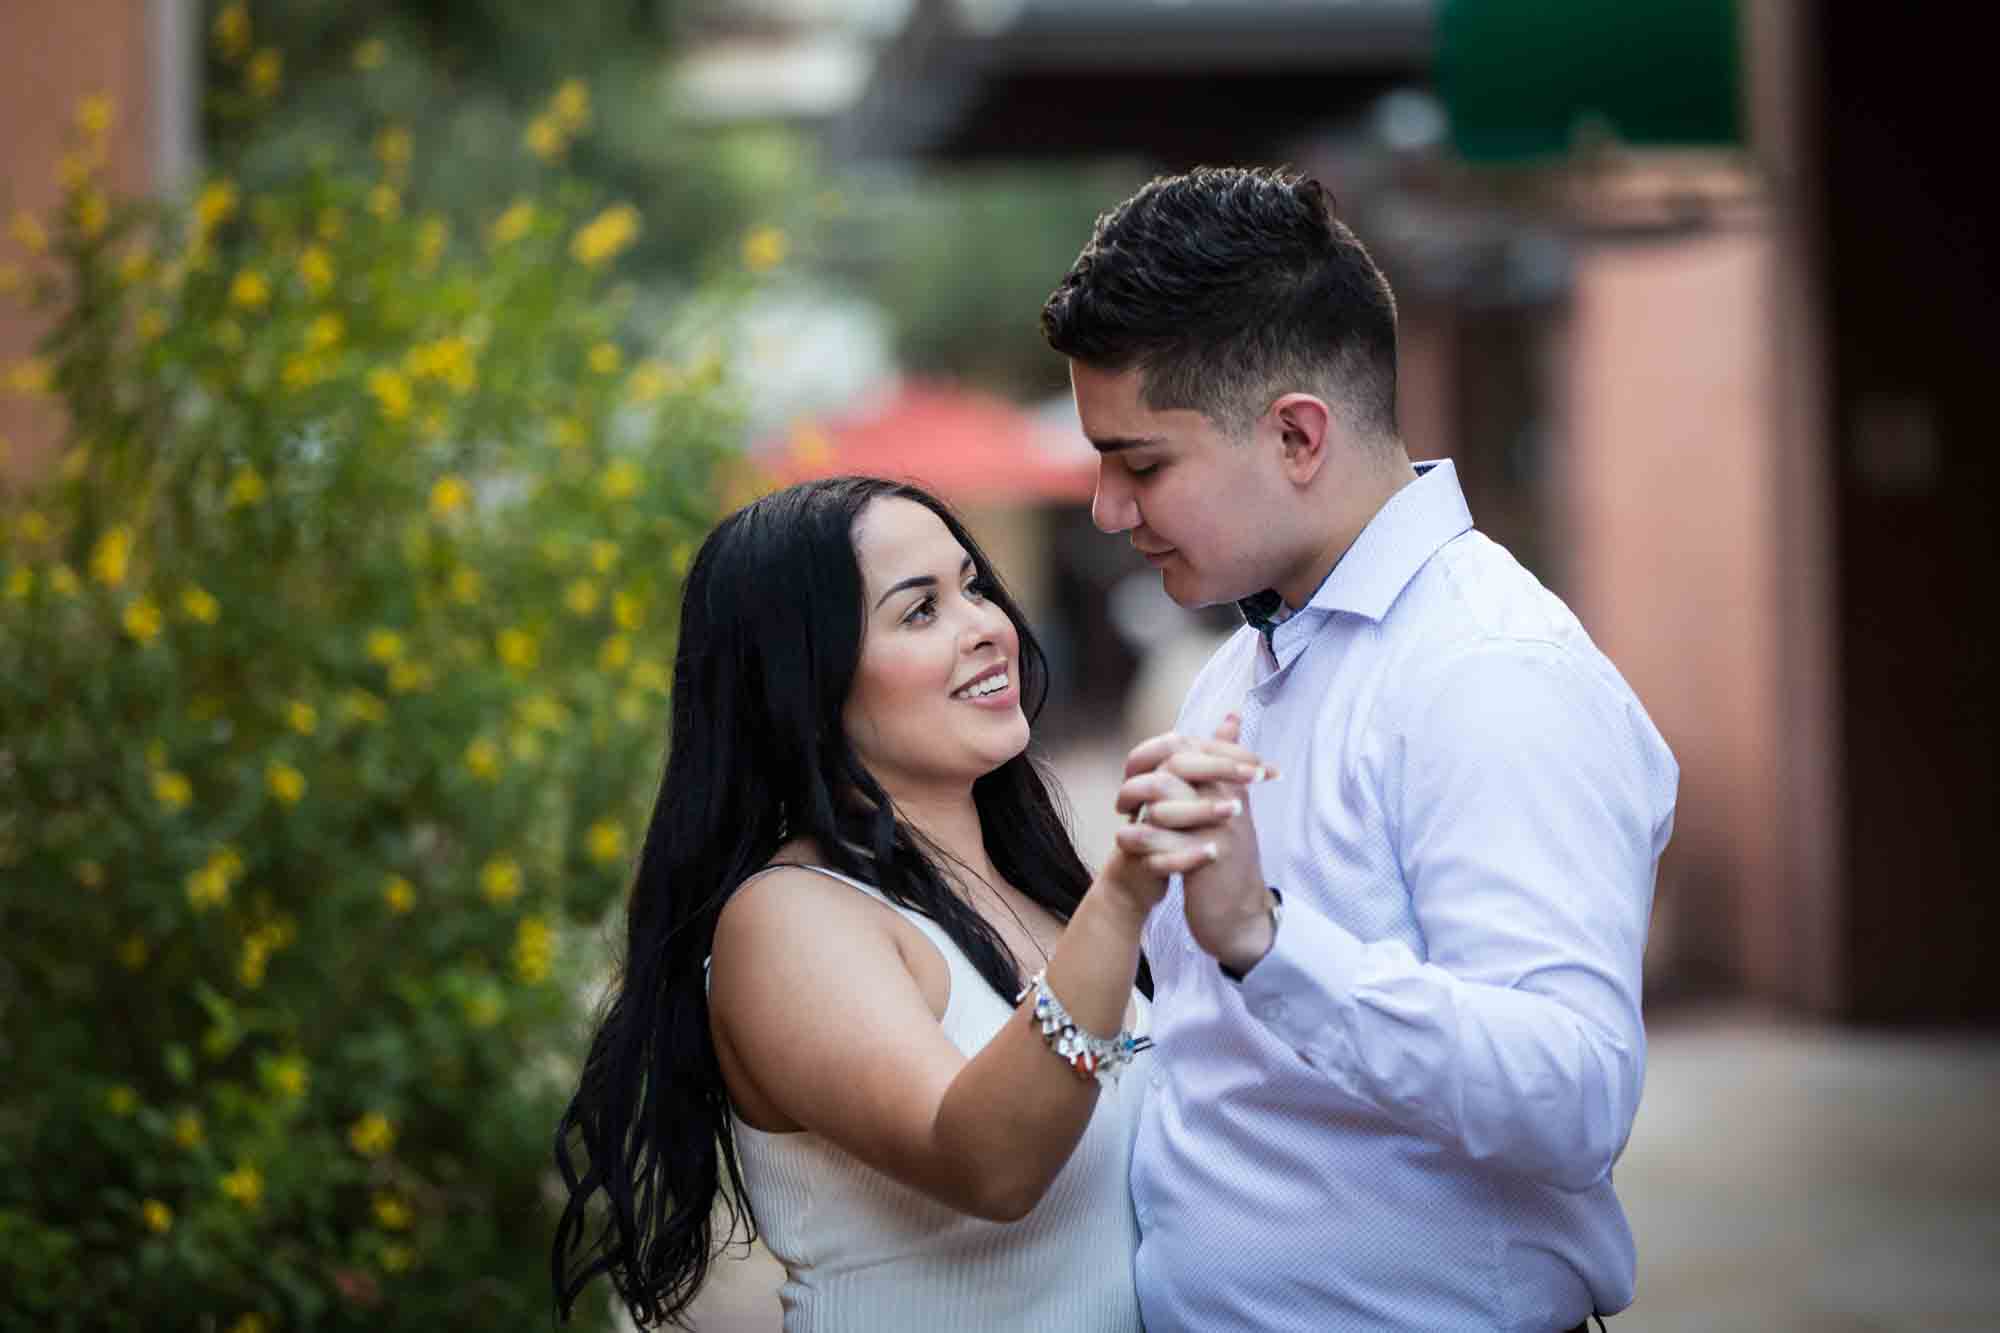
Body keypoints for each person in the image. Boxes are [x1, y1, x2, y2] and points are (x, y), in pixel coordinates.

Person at [1043, 166, 1680, 1332]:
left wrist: (1267, 942)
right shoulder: (1238, 662)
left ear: (1295, 434)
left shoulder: (1489, 671)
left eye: (1139, 464)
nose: (1105, 510)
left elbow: (1576, 1093)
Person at [549, 476, 1252, 1330]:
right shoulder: (787, 920)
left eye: (974, 585)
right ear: (806, 679)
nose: (987, 627)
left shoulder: (1033, 885)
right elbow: (988, 1163)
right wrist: (1123, 896)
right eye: (920, 612)